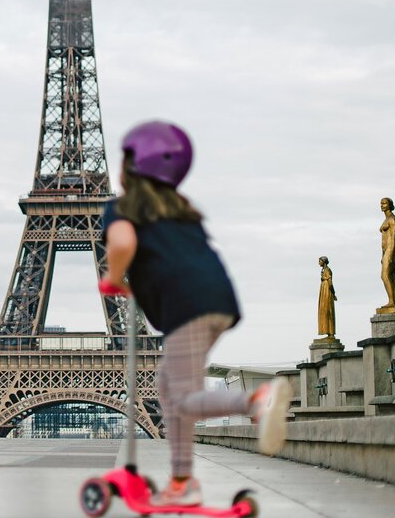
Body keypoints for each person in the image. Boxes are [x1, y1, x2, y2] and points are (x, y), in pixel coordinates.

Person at [100, 122, 288, 508]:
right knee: (169, 389)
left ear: (133, 165)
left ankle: (254, 401)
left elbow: (123, 241)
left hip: (186, 309)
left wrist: (112, 277)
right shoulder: (182, 213)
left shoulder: (121, 209)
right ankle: (182, 481)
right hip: (218, 302)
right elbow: (177, 263)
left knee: (182, 397)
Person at [317, 256, 337, 338]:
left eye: (320, 261)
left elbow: (330, 282)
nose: (319, 263)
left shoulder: (327, 270)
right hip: (324, 291)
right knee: (324, 311)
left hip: (327, 292)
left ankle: (331, 332)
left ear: (324, 262)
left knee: (328, 311)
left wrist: (333, 293)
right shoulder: (323, 270)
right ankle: (327, 331)